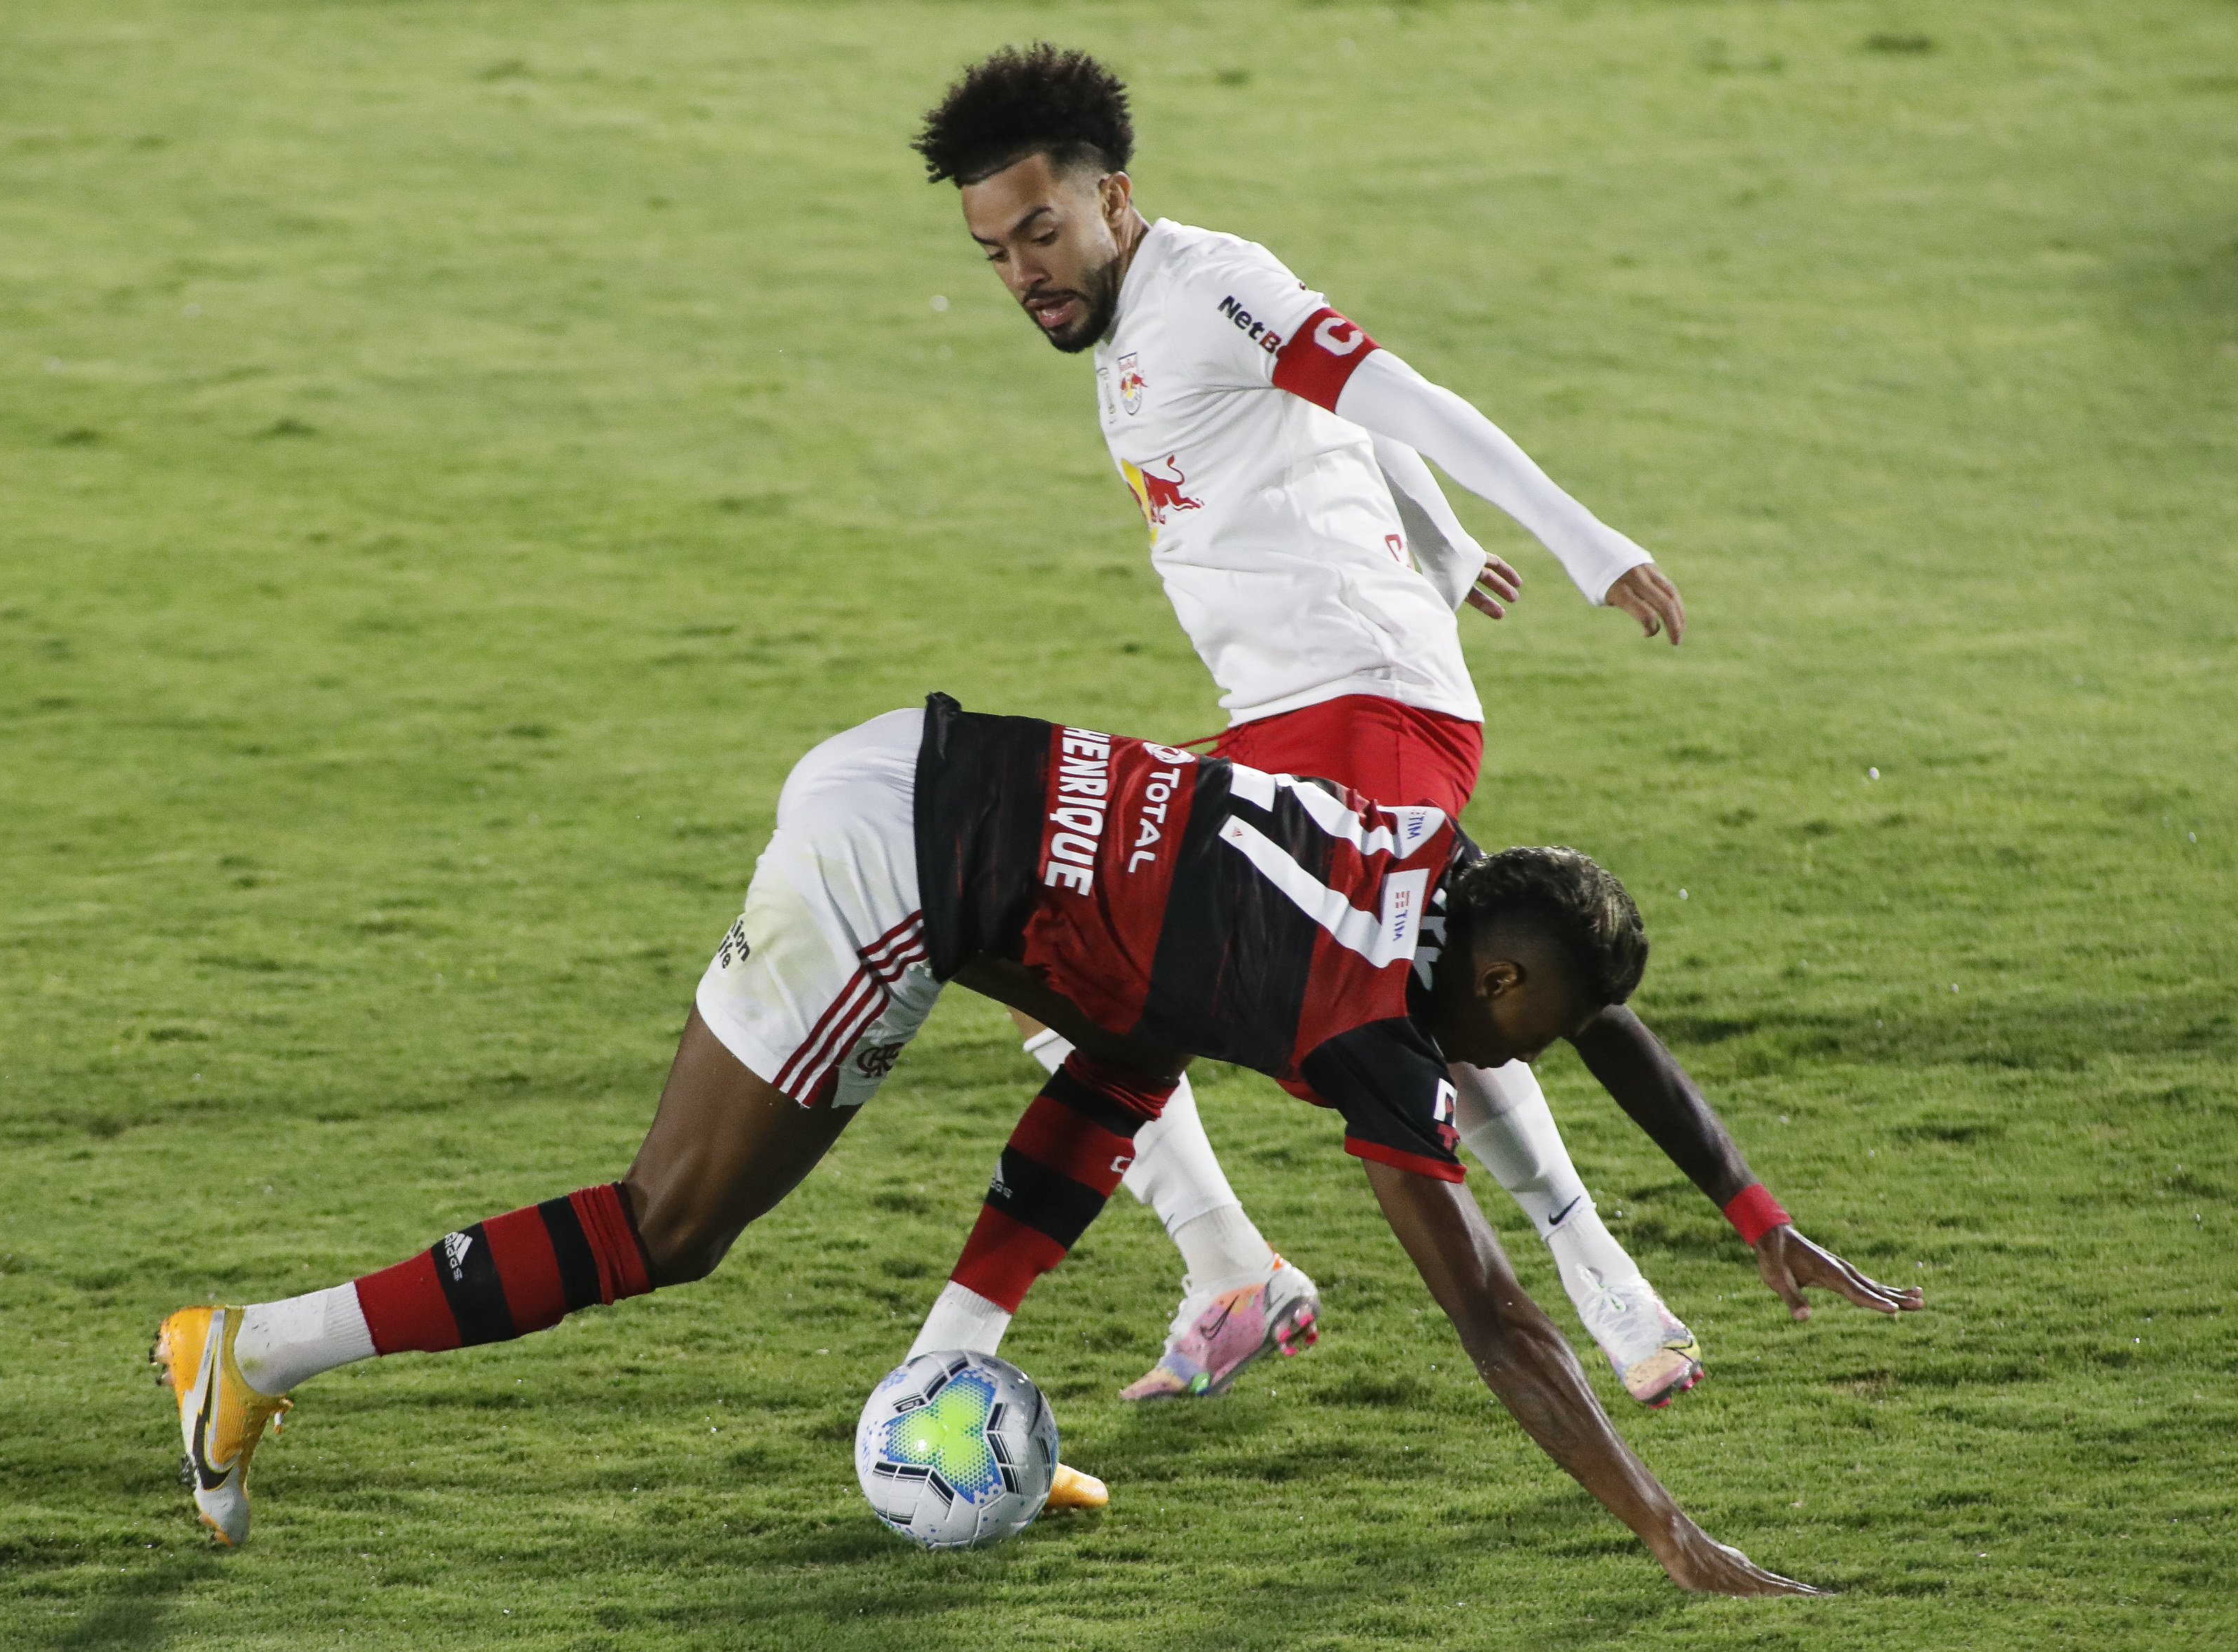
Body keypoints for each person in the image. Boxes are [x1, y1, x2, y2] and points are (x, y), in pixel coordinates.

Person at [155, 697, 1916, 1591]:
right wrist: (1667, 1529)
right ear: (1492, 972)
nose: (1493, 1069)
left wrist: (1739, 1201)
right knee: (669, 1221)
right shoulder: (1374, 1031)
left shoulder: (1419, 852)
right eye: (1512, 1034)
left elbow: (1567, 996)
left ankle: (936, 1393)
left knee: (1126, 1064)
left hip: (935, 786)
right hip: (892, 868)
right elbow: (1496, 1324)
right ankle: (247, 1348)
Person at [903, 44, 1711, 1411]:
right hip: (1303, 709)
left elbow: (1402, 394)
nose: (1020, 272)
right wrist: (1445, 546)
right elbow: (1327, 410)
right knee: (1105, 961)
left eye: (1038, 232)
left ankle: (1579, 1275)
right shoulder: (1138, 323)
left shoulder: (1208, 286)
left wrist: (1585, 544)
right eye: (992, 252)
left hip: (1358, 703)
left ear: (1113, 197)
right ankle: (1237, 1268)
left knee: (1342, 979)